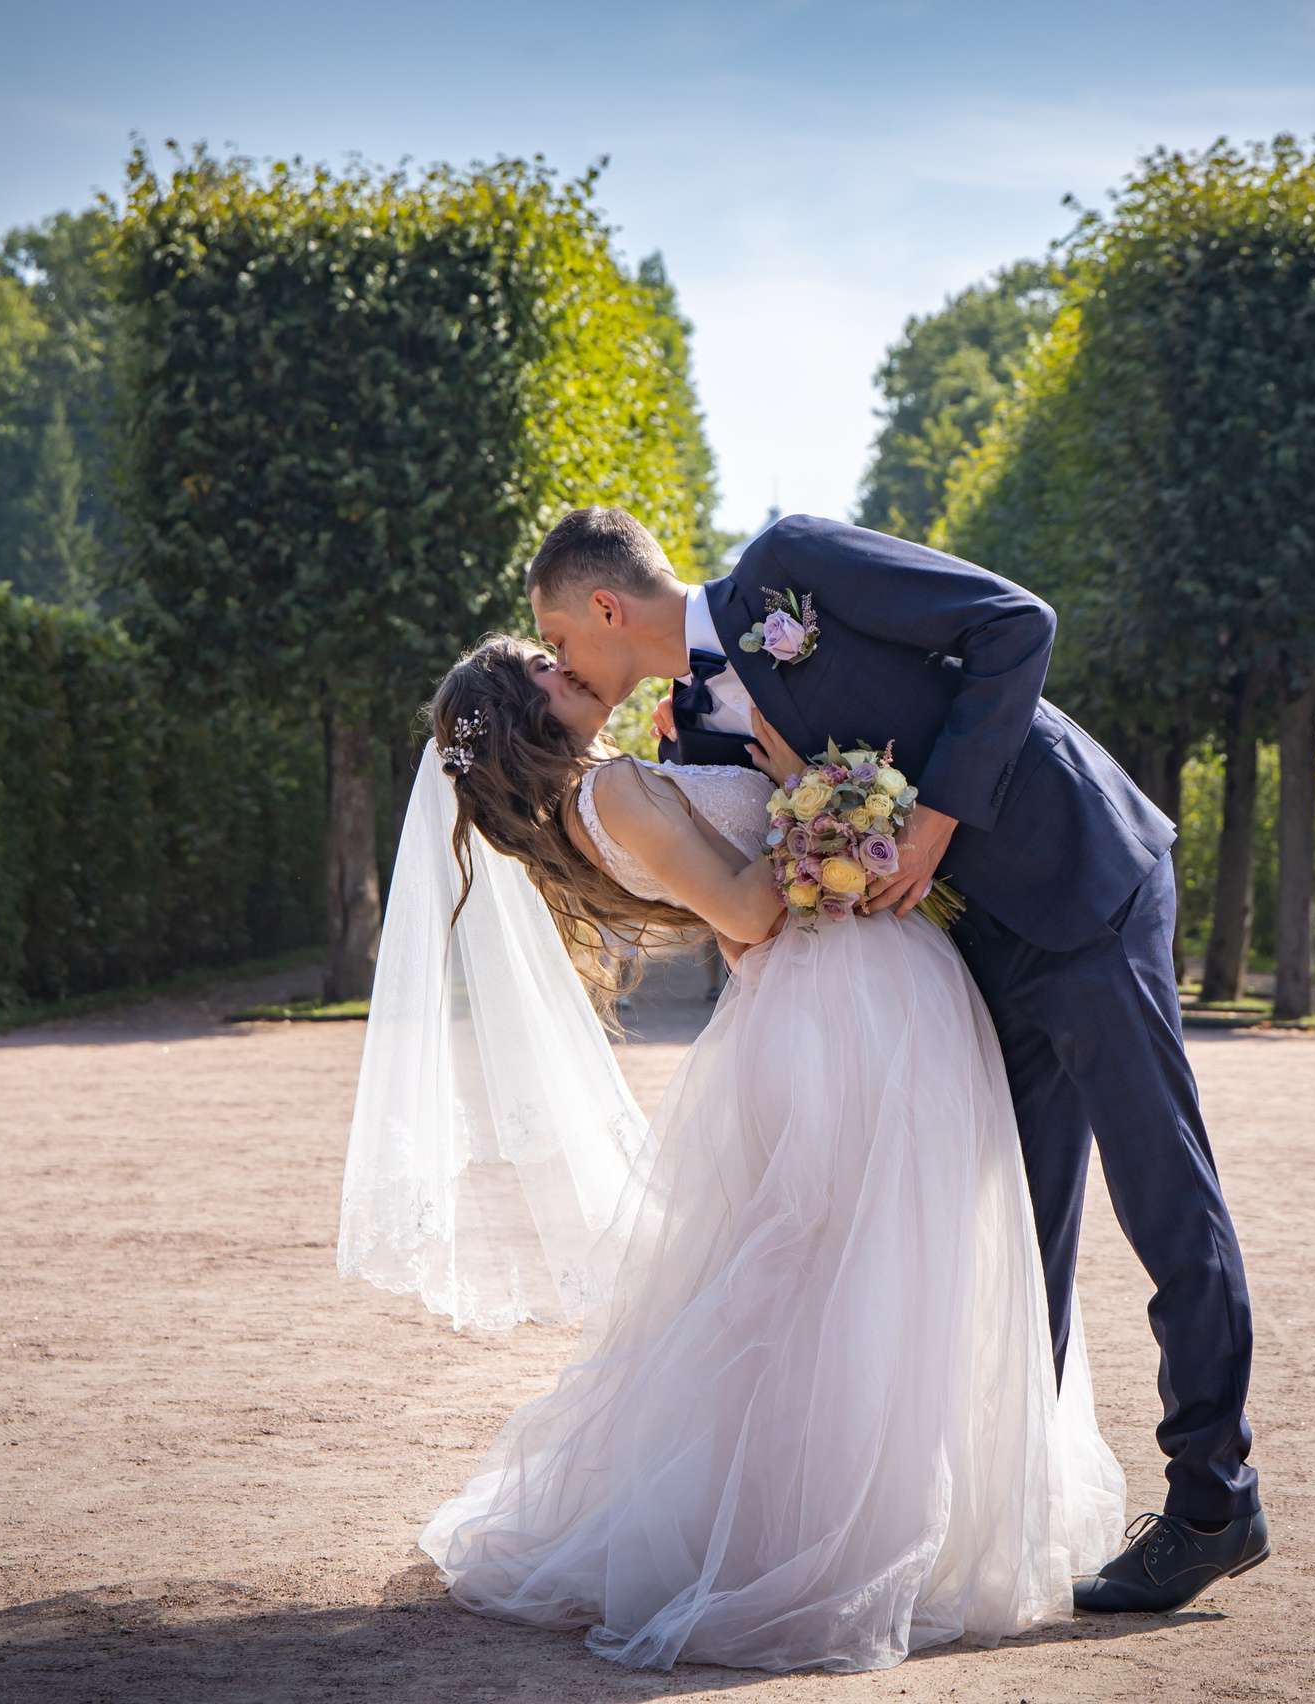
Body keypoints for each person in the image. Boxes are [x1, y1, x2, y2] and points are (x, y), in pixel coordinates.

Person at [527, 511, 1263, 1605]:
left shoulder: (790, 568)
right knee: (1012, 1229)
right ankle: (1011, 1512)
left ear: (604, 608)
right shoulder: (688, 729)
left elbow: (1019, 624)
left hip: (1080, 880)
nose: (561, 664)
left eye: (555, 637)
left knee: (1161, 1189)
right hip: (972, 955)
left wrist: (929, 828)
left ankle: (1214, 1499)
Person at [379, 633, 1124, 1671]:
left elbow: (726, 926)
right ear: (525, 711)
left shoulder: (591, 804)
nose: (566, 662)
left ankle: (846, 1513)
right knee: (859, 1259)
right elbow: (745, 911)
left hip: (822, 1005)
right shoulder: (617, 794)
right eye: (543, 665)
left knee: (831, 1267)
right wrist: (806, 799)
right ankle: (836, 1533)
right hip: (844, 1009)